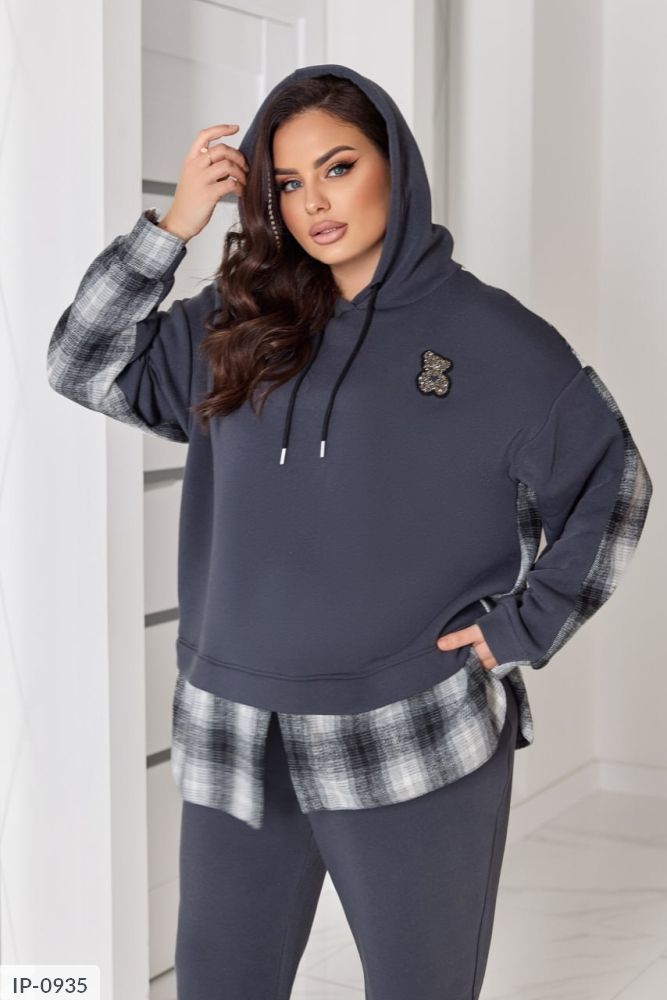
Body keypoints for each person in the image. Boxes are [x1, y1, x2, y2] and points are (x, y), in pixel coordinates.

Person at [46, 64, 653, 1000]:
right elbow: (79, 363)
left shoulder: (494, 337)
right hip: (237, 720)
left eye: (338, 167)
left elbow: (613, 484)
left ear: (393, 166)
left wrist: (522, 626)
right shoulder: (238, 322)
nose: (314, 203)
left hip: (408, 724)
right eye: (287, 183)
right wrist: (171, 228)